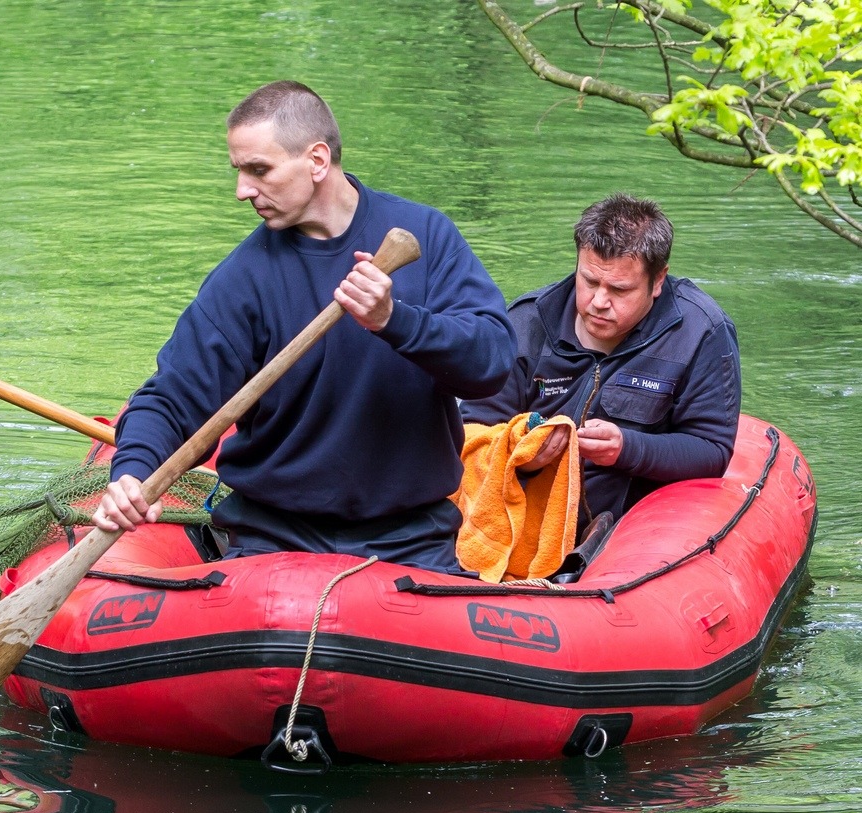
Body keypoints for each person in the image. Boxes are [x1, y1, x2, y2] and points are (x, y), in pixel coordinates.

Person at [92, 81, 516, 573]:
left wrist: (395, 321)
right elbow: (172, 397)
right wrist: (131, 472)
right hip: (272, 538)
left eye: (259, 170)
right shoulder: (243, 277)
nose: (242, 191)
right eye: (240, 172)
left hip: (409, 539)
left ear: (317, 161)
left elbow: (491, 363)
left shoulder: (425, 236)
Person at [460, 194, 741, 536]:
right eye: (589, 281)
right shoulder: (526, 323)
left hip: (634, 539)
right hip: (522, 521)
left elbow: (711, 452)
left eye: (619, 290)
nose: (598, 302)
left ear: (658, 280)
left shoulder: (702, 331)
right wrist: (525, 456)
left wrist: (627, 449)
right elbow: (473, 434)